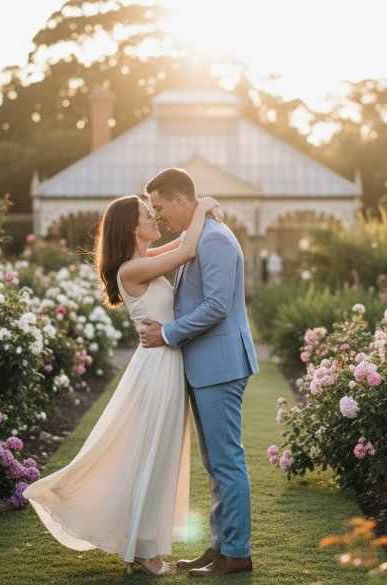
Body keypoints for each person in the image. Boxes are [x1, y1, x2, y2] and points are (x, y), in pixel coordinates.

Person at [24, 193, 219, 576]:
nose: (157, 219)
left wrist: (201, 212)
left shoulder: (142, 260)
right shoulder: (130, 270)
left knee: (158, 456)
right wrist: (203, 207)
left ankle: (141, 550)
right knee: (153, 455)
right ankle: (142, 553)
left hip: (165, 363)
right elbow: (188, 248)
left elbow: (181, 243)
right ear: (132, 225)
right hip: (158, 368)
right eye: (149, 214)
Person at [139, 167, 259, 577]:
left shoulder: (216, 239)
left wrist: (167, 333)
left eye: (159, 208)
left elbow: (216, 307)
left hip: (221, 366)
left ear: (179, 200)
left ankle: (237, 553)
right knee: (215, 464)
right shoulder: (198, 236)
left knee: (226, 462)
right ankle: (219, 545)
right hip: (206, 366)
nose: (157, 218)